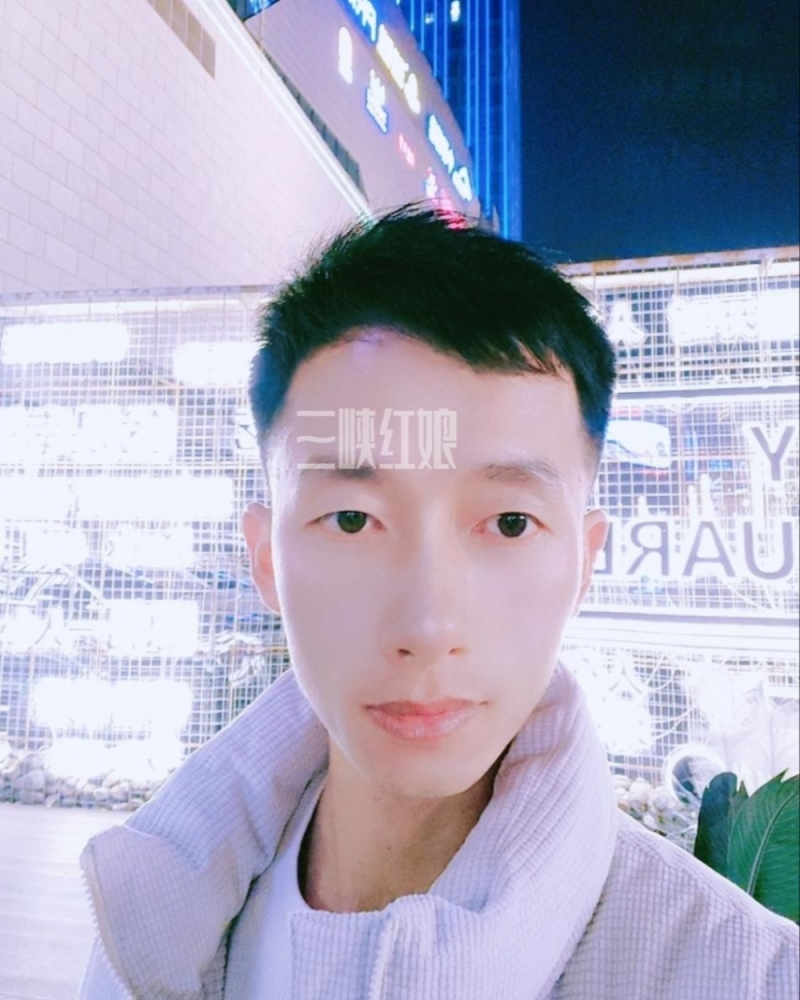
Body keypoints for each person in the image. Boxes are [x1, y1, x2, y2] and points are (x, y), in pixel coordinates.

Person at [76, 206, 799, 999]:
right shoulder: (148, 925)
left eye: (510, 522)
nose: (427, 627)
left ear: (583, 563)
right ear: (268, 560)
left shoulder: (745, 975)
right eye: (352, 519)